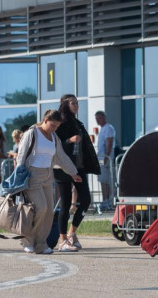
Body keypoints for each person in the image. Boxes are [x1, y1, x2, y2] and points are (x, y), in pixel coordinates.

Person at [14, 110, 81, 254]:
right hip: (31, 175)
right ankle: (27, 240)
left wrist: (73, 172)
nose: (54, 128)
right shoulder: (31, 133)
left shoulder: (54, 137)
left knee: (49, 212)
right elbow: (21, 155)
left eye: (56, 126)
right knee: (41, 208)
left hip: (47, 176)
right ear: (45, 120)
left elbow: (61, 156)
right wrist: (19, 176)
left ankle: (41, 244)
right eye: (52, 125)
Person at [54, 94, 99, 252]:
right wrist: (69, 141)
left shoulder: (78, 123)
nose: (76, 105)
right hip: (63, 168)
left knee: (86, 200)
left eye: (77, 103)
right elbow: (56, 145)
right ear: (65, 104)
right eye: (73, 103)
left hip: (78, 166)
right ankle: (62, 239)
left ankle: (71, 233)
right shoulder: (59, 122)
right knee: (65, 204)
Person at [94, 110, 116, 212]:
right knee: (102, 181)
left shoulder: (108, 128)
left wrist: (106, 157)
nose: (97, 120)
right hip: (101, 159)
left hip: (105, 159)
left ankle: (107, 201)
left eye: (99, 118)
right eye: (96, 118)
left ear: (104, 118)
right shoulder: (102, 129)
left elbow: (110, 143)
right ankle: (105, 200)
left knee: (106, 181)